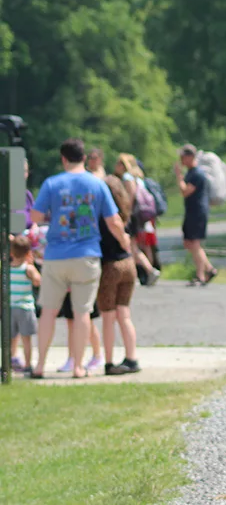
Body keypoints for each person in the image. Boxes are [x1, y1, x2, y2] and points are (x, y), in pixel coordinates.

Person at [28, 138, 125, 379]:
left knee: (48, 311)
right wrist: (125, 242)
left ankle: (40, 365)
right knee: (83, 313)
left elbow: (36, 216)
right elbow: (113, 220)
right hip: (86, 255)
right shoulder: (97, 184)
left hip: (56, 255)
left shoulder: (52, 183)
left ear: (63, 158)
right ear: (84, 158)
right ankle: (79, 367)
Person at [98, 174, 141, 374]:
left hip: (110, 266)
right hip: (128, 264)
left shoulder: (102, 217)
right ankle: (131, 358)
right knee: (124, 314)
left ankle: (108, 362)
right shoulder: (126, 214)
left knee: (108, 316)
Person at [113, 153, 160, 285]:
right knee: (138, 246)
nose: (116, 166)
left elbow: (130, 196)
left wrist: (125, 213)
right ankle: (146, 271)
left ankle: (147, 271)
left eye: (118, 163)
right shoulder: (138, 177)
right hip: (139, 215)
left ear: (123, 165)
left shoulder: (128, 177)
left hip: (131, 215)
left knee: (131, 246)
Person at [173, 143, 217, 286]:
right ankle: (208, 269)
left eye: (183, 156)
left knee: (195, 243)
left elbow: (185, 191)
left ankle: (200, 275)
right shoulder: (191, 173)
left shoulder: (197, 174)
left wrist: (179, 177)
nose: (181, 159)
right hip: (192, 212)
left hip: (197, 212)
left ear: (190, 156)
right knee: (190, 243)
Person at [9, 235, 41, 373]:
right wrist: (32, 264)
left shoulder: (7, 269)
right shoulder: (28, 269)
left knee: (10, 338)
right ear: (28, 253)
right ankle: (28, 365)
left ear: (11, 252)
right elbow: (38, 281)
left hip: (10, 307)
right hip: (25, 308)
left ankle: (9, 361)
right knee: (26, 339)